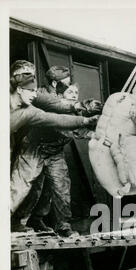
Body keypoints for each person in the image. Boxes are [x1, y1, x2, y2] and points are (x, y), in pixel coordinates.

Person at [10, 60, 97, 232]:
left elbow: (72, 121)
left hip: (54, 152)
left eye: (75, 91)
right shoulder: (39, 96)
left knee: (59, 186)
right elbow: (55, 117)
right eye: (67, 87)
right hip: (34, 147)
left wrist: (84, 113)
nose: (71, 92)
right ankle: (16, 220)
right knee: (27, 186)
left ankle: (59, 224)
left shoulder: (38, 97)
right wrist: (82, 117)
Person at [27, 78, 102, 236]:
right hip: (35, 150)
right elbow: (65, 128)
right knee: (35, 188)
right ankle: (26, 221)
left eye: (76, 92)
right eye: (70, 92)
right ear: (60, 94)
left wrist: (97, 132)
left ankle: (63, 225)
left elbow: (81, 130)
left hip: (55, 153)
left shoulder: (76, 111)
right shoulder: (53, 107)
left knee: (61, 189)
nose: (74, 95)